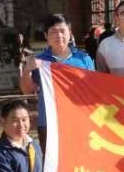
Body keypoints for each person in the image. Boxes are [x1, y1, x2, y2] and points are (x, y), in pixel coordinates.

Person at [20, 14, 94, 153]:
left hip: (79, 120)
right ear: (46, 36)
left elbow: (93, 91)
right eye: (53, 32)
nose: (59, 35)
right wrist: (27, 71)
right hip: (49, 123)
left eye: (62, 31)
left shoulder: (84, 60)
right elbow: (28, 91)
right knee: (51, 162)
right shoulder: (39, 62)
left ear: (70, 34)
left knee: (80, 160)